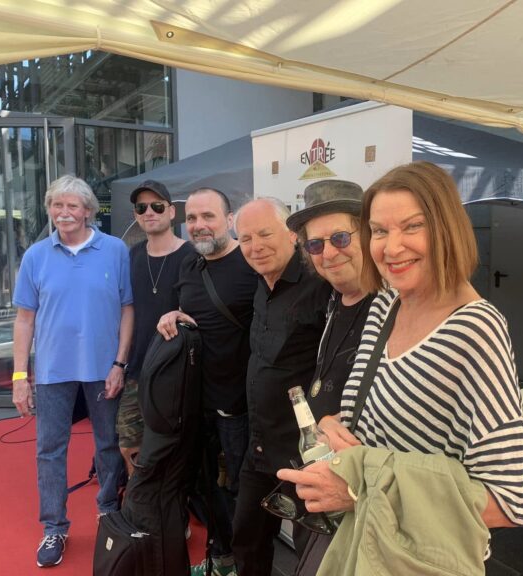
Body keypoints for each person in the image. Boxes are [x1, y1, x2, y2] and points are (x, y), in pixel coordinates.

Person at [278, 161, 523, 575]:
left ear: (446, 229)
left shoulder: (475, 330)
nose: (391, 247)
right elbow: (376, 425)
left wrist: (360, 489)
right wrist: (330, 425)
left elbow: (510, 502)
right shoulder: (387, 304)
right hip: (361, 543)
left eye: (412, 226)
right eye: (379, 231)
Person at [12, 175, 133, 568]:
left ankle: (108, 512)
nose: (63, 213)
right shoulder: (35, 256)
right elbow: (24, 319)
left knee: (108, 444)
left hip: (104, 369)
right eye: (56, 205)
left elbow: (127, 309)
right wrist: (19, 377)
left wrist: (119, 363)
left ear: (87, 211)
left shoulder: (114, 250)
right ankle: (54, 527)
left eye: (72, 206)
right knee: (49, 450)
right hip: (52, 371)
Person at [156, 187, 257, 576]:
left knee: (240, 493)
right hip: (197, 402)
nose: (198, 225)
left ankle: (243, 565)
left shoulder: (251, 262)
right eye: (192, 218)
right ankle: (220, 557)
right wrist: (172, 315)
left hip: (239, 407)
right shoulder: (190, 265)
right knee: (205, 486)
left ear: (229, 220)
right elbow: (190, 313)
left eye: (208, 216)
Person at [230, 197, 330, 576]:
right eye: (245, 239)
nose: (255, 246)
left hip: (301, 453)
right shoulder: (260, 283)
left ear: (292, 235)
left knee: (311, 555)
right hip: (259, 446)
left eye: (265, 234)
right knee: (247, 539)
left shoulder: (320, 285)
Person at [284, 180, 374, 576]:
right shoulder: (333, 299)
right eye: (315, 245)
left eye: (340, 238)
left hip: (362, 501)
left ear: (367, 233)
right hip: (323, 489)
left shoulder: (395, 307)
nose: (329, 253)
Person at [117, 180, 194, 477]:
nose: (149, 212)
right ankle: (138, 499)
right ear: (136, 215)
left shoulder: (191, 255)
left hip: (174, 372)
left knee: (171, 448)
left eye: (157, 206)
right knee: (130, 446)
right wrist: (119, 363)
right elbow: (126, 311)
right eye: (142, 207)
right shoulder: (132, 256)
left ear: (172, 212)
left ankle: (169, 502)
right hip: (137, 370)